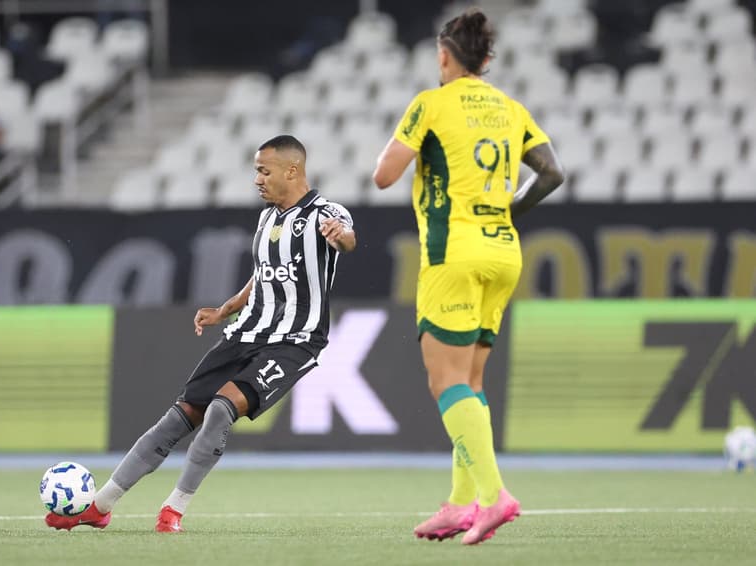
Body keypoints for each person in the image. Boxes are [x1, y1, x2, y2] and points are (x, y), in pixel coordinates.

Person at [45, 134, 357, 533]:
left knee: (221, 409)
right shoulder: (267, 218)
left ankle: (173, 510)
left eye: (264, 171)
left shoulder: (325, 212)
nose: (257, 179)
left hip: (295, 341)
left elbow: (348, 239)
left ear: (292, 170)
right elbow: (264, 274)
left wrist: (340, 235)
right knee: (177, 418)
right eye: (256, 172)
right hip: (246, 333)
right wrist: (227, 308)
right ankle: (100, 506)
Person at [372, 9, 564, 546]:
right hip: (503, 250)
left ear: (444, 55)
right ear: (486, 58)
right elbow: (552, 172)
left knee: (445, 381)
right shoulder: (509, 107)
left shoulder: (431, 104)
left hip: (452, 252)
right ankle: (460, 504)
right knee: (471, 382)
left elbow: (384, 176)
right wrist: (509, 210)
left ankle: (493, 495)